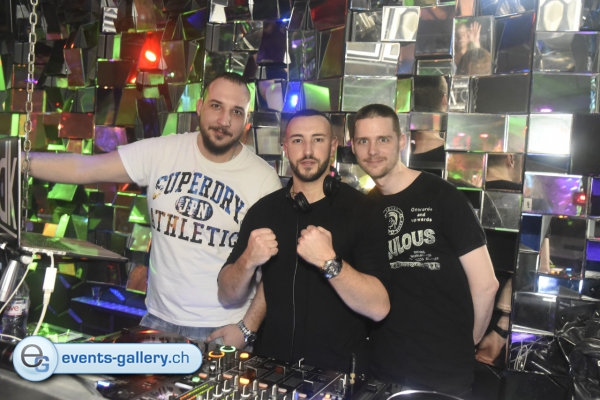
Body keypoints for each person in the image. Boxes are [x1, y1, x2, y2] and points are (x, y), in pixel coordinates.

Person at [27, 72, 282, 341]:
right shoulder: (162, 152)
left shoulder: (263, 180)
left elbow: (277, 271)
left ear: (246, 121)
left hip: (221, 328)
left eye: (236, 112)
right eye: (216, 106)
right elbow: (85, 168)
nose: (224, 120)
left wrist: (247, 328)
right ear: (199, 106)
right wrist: (21, 161)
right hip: (158, 320)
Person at [215, 109, 390, 373]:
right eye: (297, 140)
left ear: (333, 145)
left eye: (318, 139)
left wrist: (329, 262)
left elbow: (379, 308)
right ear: (285, 147)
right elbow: (226, 294)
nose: (307, 150)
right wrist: (248, 260)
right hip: (270, 369)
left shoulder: (364, 211)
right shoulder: (263, 211)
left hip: (338, 374)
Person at [351, 104, 499, 397]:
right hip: (383, 369)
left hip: (442, 375)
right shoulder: (363, 208)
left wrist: (464, 344)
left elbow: (486, 285)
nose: (373, 150)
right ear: (352, 146)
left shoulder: (442, 196)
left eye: (383, 139)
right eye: (363, 141)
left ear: (401, 141)